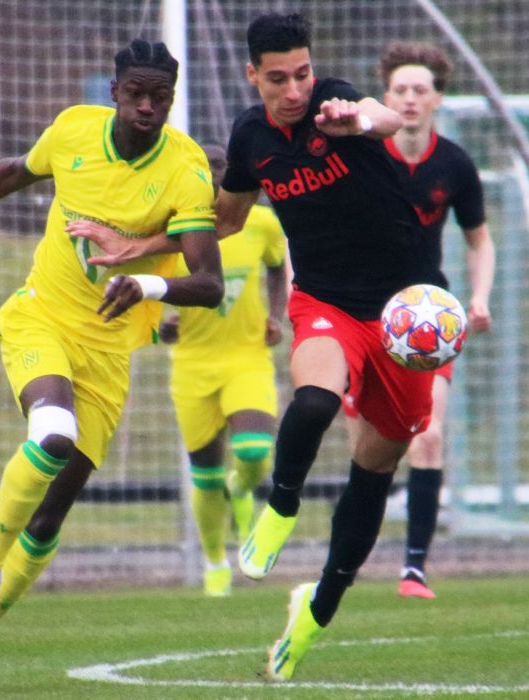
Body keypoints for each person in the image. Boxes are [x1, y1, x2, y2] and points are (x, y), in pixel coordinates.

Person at [70, 12, 449, 682]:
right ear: (254, 76)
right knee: (314, 400)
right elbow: (224, 220)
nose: (295, 89)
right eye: (279, 78)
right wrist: (138, 245)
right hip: (326, 301)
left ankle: (315, 612)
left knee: (374, 471)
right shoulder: (250, 138)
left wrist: (357, 120)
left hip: (402, 314)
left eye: (302, 73)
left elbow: (386, 118)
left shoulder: (336, 101)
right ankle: (280, 507)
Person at [0, 39, 224, 694]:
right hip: (41, 318)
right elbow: (13, 171)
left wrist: (147, 285)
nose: (147, 107)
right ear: (114, 92)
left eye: (160, 97)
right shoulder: (73, 130)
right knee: (53, 432)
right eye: (136, 94)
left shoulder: (187, 168)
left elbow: (209, 283)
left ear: (171, 101)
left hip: (109, 354)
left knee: (49, 516)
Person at [342, 41, 494, 600]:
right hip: (362, 314)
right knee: (369, 451)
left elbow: (479, 240)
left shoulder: (454, 164)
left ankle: (414, 570)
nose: (409, 98)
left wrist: (479, 297)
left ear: (437, 99)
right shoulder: (361, 156)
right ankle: (346, 561)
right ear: (385, 97)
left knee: (428, 437)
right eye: (400, 89)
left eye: (419, 90)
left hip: (428, 318)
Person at [158, 143, 287, 597]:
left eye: (218, 166)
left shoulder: (261, 223)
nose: (212, 174)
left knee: (254, 452)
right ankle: (215, 563)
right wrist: (160, 325)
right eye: (202, 167)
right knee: (206, 474)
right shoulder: (173, 229)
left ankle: (243, 487)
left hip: (246, 357)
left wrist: (276, 315)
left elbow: (278, 268)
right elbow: (150, 282)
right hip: (193, 363)